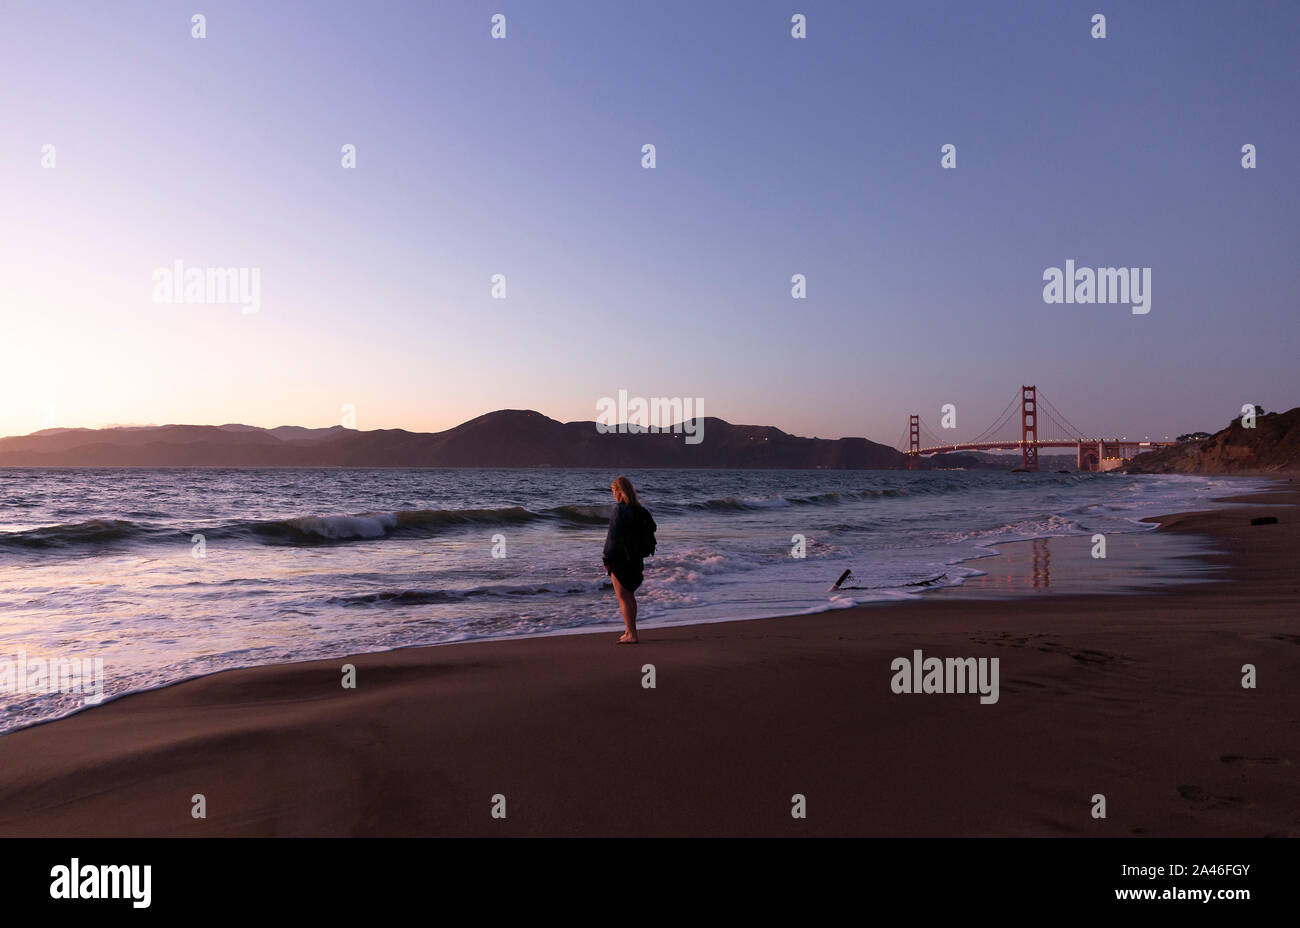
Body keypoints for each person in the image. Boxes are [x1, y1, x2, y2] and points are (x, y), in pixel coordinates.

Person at [602, 475, 655, 644]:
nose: (613, 495)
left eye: (613, 491)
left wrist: (606, 558)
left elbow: (614, 537)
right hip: (636, 557)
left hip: (620, 558)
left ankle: (631, 634)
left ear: (618, 491)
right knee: (630, 595)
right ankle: (629, 630)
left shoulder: (619, 510)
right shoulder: (640, 510)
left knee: (623, 596)